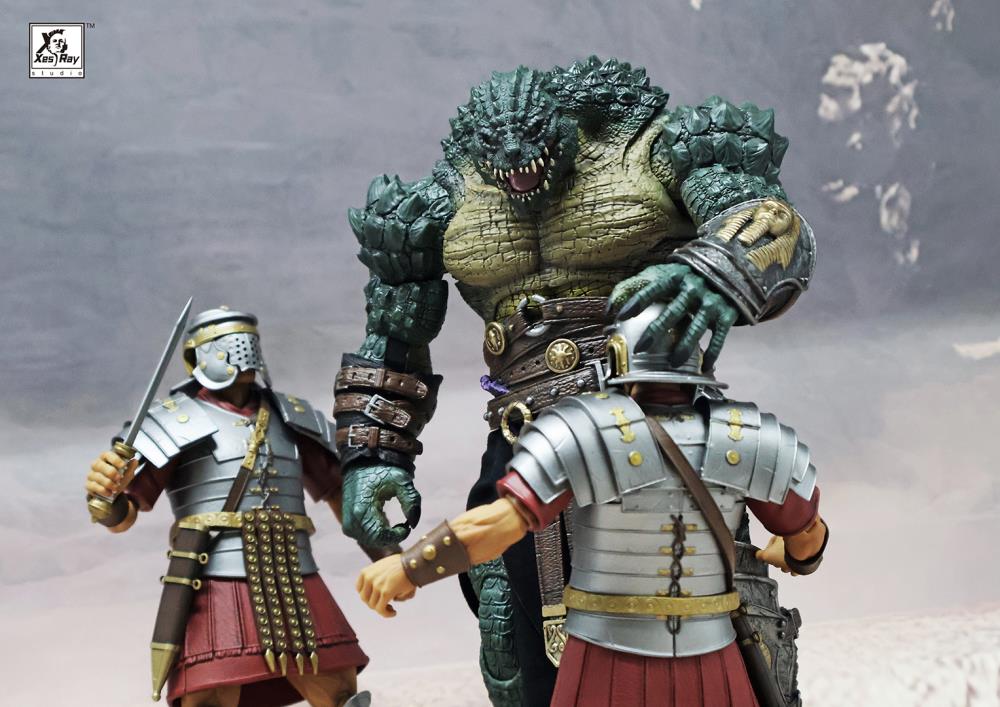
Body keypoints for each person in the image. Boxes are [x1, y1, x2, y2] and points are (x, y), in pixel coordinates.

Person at [335, 55, 818, 706]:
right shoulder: (441, 202)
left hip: (659, 427)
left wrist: (715, 269)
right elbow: (393, 336)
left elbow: (769, 221)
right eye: (500, 154)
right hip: (522, 436)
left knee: (705, 618)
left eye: (531, 145)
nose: (518, 164)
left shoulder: (651, 148)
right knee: (511, 641)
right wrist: (373, 454)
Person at [356, 302, 829, 706]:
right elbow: (807, 535)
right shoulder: (750, 438)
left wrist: (411, 567)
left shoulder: (580, 433)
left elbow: (498, 526)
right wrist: (793, 555)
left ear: (618, 359)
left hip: (606, 662)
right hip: (713, 661)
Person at [86, 307, 369, 707]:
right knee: (210, 692)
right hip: (213, 574)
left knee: (338, 689)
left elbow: (343, 494)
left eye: (248, 340)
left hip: (292, 569)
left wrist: (390, 558)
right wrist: (106, 495)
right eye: (231, 343)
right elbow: (124, 512)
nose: (243, 351)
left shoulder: (291, 415)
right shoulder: (174, 419)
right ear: (199, 356)